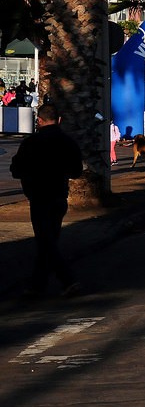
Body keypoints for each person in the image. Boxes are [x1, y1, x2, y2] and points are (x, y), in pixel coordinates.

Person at [10, 104, 84, 298]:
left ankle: (67, 280)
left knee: (46, 242)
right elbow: (76, 171)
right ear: (59, 120)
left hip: (38, 196)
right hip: (59, 196)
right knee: (48, 241)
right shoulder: (68, 142)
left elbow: (16, 170)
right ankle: (38, 285)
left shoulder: (30, 143)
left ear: (39, 121)